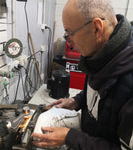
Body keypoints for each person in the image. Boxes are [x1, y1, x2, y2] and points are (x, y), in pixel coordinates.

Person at [32, 0, 133, 149]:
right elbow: (98, 93)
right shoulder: (99, 55)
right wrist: (77, 100)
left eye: (70, 33)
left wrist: (70, 137)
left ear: (97, 29)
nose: (69, 41)